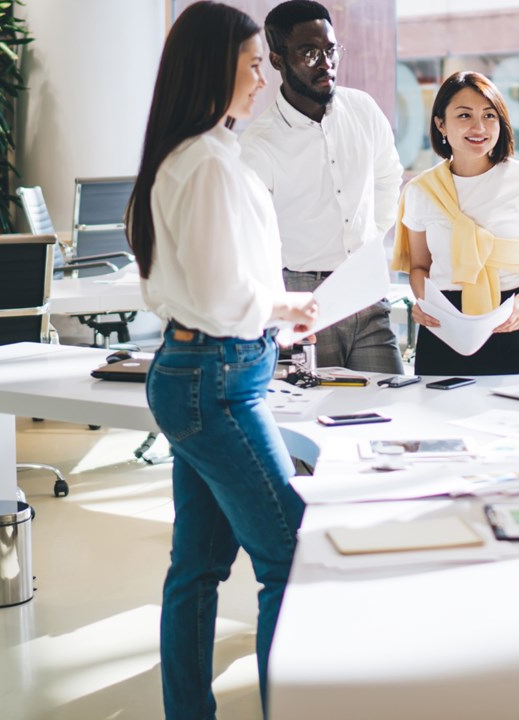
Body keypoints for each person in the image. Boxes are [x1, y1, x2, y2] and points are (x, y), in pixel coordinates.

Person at [124, 3, 318, 717]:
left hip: (204, 372)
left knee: (198, 568)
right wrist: (280, 309)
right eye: (253, 66)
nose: (263, 80)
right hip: (217, 382)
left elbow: (206, 286)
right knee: (288, 557)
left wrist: (275, 311)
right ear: (213, 69)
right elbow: (219, 292)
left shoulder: (200, 153)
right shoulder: (203, 162)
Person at [240, 0, 405, 374]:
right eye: (310, 53)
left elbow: (387, 176)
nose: (325, 63)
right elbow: (255, 239)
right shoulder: (258, 144)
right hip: (302, 292)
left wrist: (372, 236)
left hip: (366, 288)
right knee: (318, 413)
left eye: (330, 50)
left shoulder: (363, 110)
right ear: (278, 60)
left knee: (390, 403)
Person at [393, 71, 519, 376]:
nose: (479, 127)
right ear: (440, 124)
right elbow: (419, 267)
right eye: (464, 115)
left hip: (511, 320)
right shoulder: (421, 190)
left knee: (515, 419)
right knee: (436, 419)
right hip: (444, 324)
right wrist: (424, 303)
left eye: (489, 115)